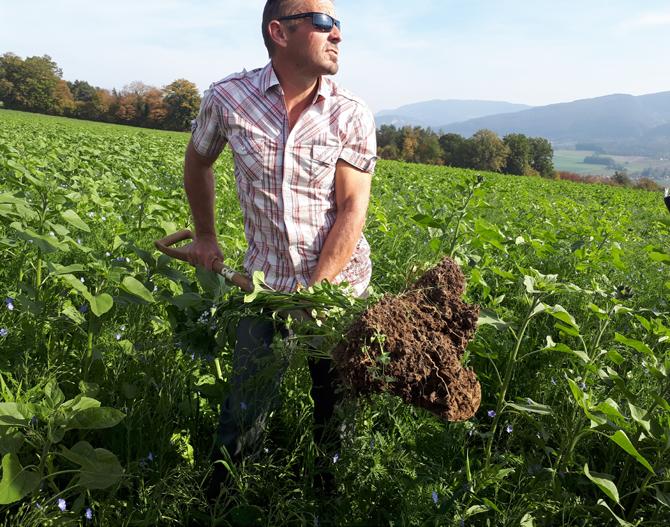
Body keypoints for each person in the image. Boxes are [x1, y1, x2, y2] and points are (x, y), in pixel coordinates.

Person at [183, 0, 377, 496]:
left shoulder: (351, 113)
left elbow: (352, 207)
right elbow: (199, 159)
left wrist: (319, 289)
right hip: (264, 287)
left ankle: (328, 496)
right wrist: (205, 235)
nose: (337, 34)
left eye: (338, 24)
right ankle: (223, 502)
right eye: (324, 23)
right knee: (245, 406)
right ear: (280, 32)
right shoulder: (229, 98)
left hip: (336, 292)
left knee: (334, 405)